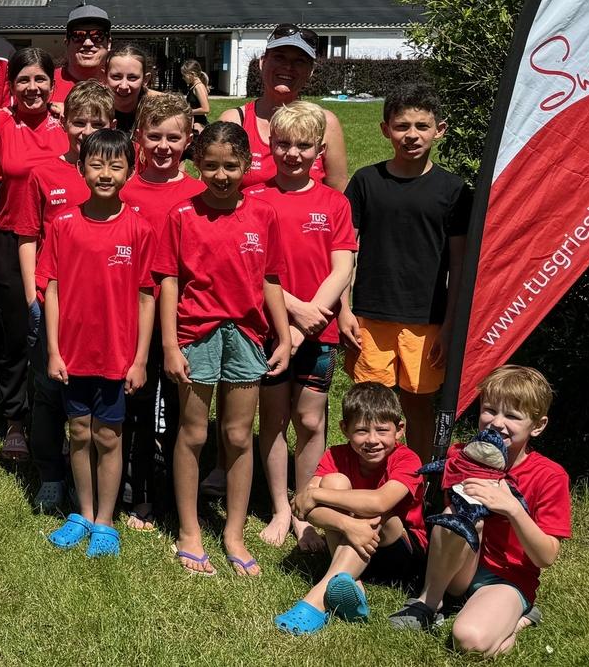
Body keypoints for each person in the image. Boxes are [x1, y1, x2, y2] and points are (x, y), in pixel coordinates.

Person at [156, 121, 291, 577]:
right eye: (210, 165)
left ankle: (234, 531)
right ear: (197, 164)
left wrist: (285, 334)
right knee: (194, 433)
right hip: (196, 334)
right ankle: (190, 530)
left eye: (230, 166)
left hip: (248, 336)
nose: (220, 175)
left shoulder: (264, 215)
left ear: (247, 165)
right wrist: (170, 344)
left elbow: (271, 278)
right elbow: (169, 281)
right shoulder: (181, 216)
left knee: (237, 435)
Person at [390, 366, 568, 657]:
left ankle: (520, 618)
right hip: (460, 569)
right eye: (489, 410)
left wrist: (512, 508)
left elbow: (546, 556)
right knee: (455, 516)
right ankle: (428, 603)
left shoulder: (550, 475)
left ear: (537, 425)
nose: (497, 423)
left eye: (512, 416)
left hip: (507, 578)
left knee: (469, 641)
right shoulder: (462, 455)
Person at [39, 129, 156, 559]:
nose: (105, 174)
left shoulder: (139, 229)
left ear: (130, 169)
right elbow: (49, 287)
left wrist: (140, 358)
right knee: (79, 431)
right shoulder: (64, 224)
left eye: (116, 165)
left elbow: (148, 296)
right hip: (72, 352)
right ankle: (83, 513)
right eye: (96, 164)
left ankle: (106, 520)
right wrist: (53, 349)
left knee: (109, 435)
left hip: (117, 355)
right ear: (81, 167)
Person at [248, 102, 357, 551]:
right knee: (273, 418)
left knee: (310, 419)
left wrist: (314, 316)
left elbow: (342, 266)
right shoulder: (254, 200)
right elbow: (250, 269)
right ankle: (279, 506)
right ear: (270, 145)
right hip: (270, 330)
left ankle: (304, 507)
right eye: (283, 144)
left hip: (320, 330)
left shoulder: (334, 203)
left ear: (320, 149)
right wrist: (293, 313)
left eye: (303, 145)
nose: (292, 153)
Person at [343, 83, 471, 462]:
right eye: (401, 126)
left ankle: (418, 479)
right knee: (370, 408)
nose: (411, 135)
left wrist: (449, 326)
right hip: (371, 313)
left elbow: (460, 264)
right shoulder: (366, 181)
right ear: (385, 129)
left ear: (439, 130)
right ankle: (368, 477)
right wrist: (344, 309)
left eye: (421, 126)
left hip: (426, 319)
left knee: (418, 405)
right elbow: (347, 249)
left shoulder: (454, 190)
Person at [14, 80, 113, 508]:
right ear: (63, 123)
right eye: (78, 121)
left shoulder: (116, 175)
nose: (86, 130)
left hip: (101, 308)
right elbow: (25, 237)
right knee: (49, 391)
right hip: (52, 302)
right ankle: (50, 474)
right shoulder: (44, 173)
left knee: (97, 399)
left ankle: (89, 477)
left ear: (111, 124)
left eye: (97, 122)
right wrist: (32, 297)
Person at [275, 383, 429, 635]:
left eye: (382, 430)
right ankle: (350, 583)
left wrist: (316, 494)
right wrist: (348, 525)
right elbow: (303, 509)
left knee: (372, 512)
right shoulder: (335, 455)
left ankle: (318, 598)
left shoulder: (408, 459)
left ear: (399, 430)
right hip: (353, 541)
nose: (372, 440)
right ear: (344, 429)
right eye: (361, 430)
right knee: (335, 482)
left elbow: (379, 502)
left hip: (400, 553)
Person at [118, 94, 205, 533]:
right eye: (154, 136)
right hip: (129, 318)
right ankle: (138, 491)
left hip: (183, 318)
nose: (164, 146)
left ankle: (178, 489)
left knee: (176, 410)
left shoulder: (199, 193)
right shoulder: (123, 190)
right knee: (134, 406)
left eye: (174, 137)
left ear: (189, 140)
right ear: (138, 138)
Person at [0, 49, 69, 471]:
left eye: (40, 80)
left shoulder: (68, 124)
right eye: (23, 80)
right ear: (10, 86)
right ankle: (16, 418)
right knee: (18, 332)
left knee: (65, 330)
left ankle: (63, 416)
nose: (32, 88)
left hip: (63, 240)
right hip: (12, 238)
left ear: (52, 85)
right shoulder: (0, 121)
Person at [222, 24, 348, 191]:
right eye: (279, 57)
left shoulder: (326, 123)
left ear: (310, 71)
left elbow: (338, 193)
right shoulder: (235, 121)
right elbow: (213, 188)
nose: (288, 67)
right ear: (262, 63)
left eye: (299, 61)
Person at [51, 4, 111, 103]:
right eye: (78, 35)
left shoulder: (121, 87)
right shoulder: (45, 84)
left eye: (97, 35)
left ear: (108, 43)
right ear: (67, 42)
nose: (88, 43)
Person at [104, 42, 157, 137]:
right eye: (116, 77)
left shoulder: (158, 115)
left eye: (132, 78)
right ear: (104, 77)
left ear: (145, 80)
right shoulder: (93, 112)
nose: (124, 86)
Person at [180, 59, 211, 138]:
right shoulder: (193, 86)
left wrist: (188, 111)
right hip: (193, 124)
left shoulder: (198, 87)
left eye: (184, 75)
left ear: (192, 74)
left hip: (199, 126)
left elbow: (206, 109)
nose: (183, 78)